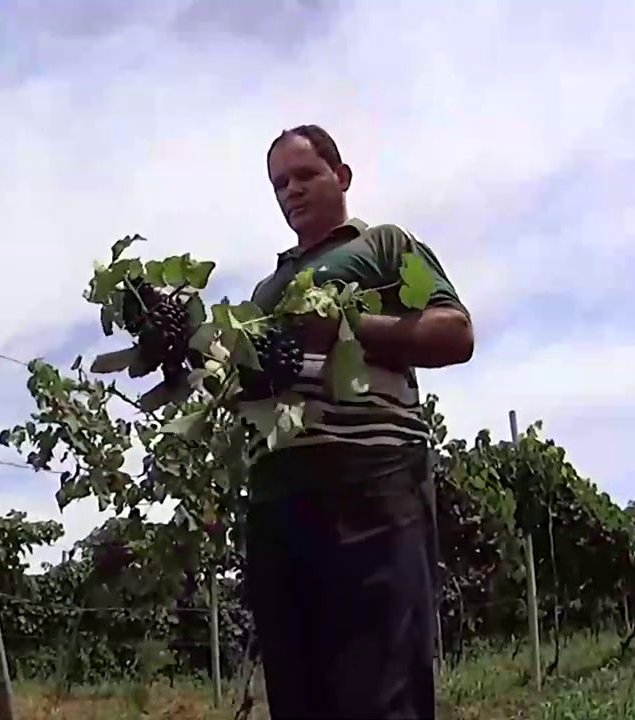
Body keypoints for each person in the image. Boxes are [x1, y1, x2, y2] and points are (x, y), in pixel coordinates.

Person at [244, 124, 474, 719]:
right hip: (278, 500)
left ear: (341, 177)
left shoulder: (386, 248)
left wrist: (349, 328)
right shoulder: (265, 291)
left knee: (384, 692)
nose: (290, 191)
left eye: (304, 175)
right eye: (279, 184)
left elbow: (455, 333)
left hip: (372, 480)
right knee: (300, 699)